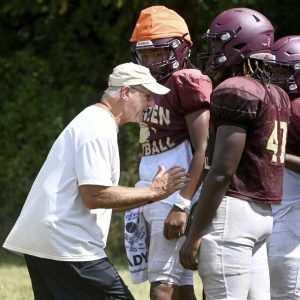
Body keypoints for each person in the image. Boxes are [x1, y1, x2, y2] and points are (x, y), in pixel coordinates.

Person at [2, 62, 190, 300]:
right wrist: (154, 192)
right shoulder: (98, 126)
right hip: (67, 244)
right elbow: (95, 196)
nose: (152, 104)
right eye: (147, 96)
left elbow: (103, 199)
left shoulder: (96, 121)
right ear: (125, 92)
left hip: (49, 241)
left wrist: (151, 194)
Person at [179, 7, 290, 300]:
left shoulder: (236, 89)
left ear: (237, 44)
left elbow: (222, 171)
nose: (213, 50)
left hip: (233, 215)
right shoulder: (276, 93)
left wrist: (193, 237)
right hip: (263, 214)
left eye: (218, 43)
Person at [126, 5, 212, 300]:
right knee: (180, 283)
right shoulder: (148, 85)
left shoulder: (186, 80)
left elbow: (204, 147)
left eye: (158, 52)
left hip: (173, 193)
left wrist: (183, 204)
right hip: (153, 191)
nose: (151, 61)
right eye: (145, 54)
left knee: (161, 286)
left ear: (180, 49)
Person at [267, 35, 300, 299]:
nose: (275, 77)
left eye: (282, 71)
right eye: (272, 70)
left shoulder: (297, 109)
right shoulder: (278, 103)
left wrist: (276, 152)